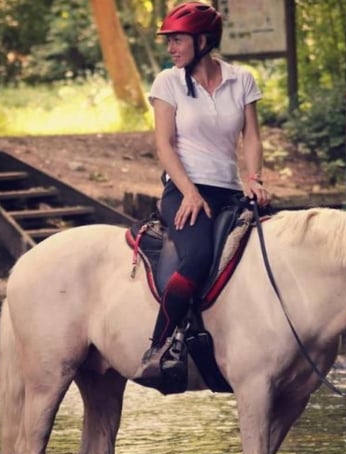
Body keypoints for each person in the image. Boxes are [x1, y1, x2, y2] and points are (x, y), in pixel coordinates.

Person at [134, 1, 271, 380]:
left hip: (229, 192)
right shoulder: (167, 82)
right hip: (184, 191)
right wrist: (190, 192)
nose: (171, 48)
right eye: (169, 41)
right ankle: (160, 346)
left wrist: (254, 178)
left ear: (203, 40)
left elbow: (252, 138)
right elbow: (164, 145)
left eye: (177, 40)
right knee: (196, 259)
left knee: (273, 250)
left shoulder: (241, 79)